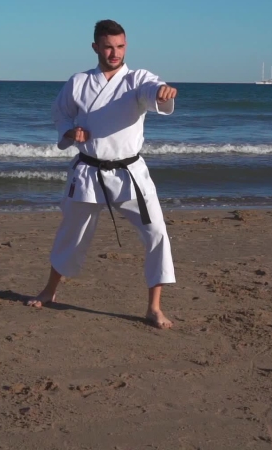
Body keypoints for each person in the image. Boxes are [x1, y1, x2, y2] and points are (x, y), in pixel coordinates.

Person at [26, 19, 178, 329]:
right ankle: (50, 290)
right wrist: (71, 131)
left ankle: (154, 307)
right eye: (108, 47)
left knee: (157, 234)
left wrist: (162, 93)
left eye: (120, 46)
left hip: (130, 174)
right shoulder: (79, 82)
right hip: (88, 172)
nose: (114, 53)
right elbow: (61, 114)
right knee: (71, 234)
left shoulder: (138, 79)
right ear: (96, 46)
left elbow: (153, 90)